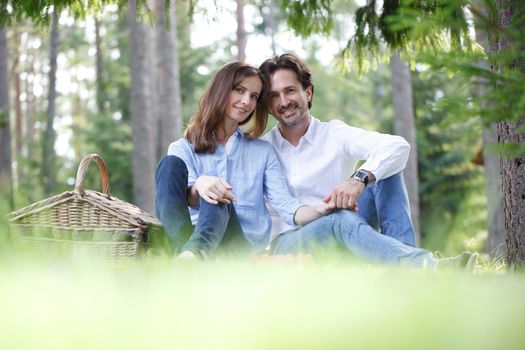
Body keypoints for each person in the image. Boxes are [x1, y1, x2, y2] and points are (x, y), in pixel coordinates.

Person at [254, 53, 476, 268]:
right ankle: (424, 266)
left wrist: (359, 178)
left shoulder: (333, 133)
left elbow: (397, 146)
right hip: (289, 242)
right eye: (274, 95)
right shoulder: (264, 149)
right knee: (339, 219)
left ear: (308, 93)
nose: (283, 102)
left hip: (347, 224)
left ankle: (403, 266)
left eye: (290, 91)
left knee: (386, 168)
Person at [155, 62, 332, 259]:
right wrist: (201, 184)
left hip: (239, 247)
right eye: (240, 90)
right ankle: (188, 256)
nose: (246, 101)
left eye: (254, 96)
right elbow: (181, 201)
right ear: (221, 91)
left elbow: (285, 204)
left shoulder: (263, 151)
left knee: (219, 193)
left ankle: (190, 258)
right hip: (192, 235)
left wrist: (321, 209)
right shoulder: (183, 147)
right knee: (169, 165)